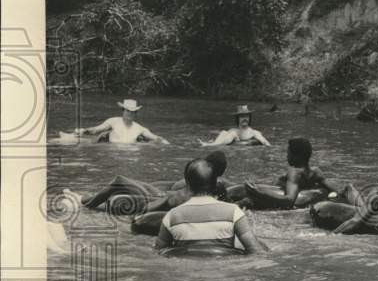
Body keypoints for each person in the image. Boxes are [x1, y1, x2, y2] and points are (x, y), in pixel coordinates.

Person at [63, 150, 231, 213]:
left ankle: (84, 206)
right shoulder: (210, 184)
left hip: (155, 201)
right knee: (119, 191)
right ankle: (80, 199)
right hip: (160, 196)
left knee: (119, 181)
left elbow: (169, 198)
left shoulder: (207, 184)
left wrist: (148, 205)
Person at [156, 158, 265, 253]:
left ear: (187, 183)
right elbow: (256, 251)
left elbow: (159, 252)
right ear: (215, 183)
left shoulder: (172, 216)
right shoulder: (234, 212)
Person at [243, 137, 339, 209]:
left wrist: (259, 193)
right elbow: (335, 191)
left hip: (278, 195)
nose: (286, 155)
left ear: (295, 156)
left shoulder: (293, 173)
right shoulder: (316, 171)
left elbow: (289, 200)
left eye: (288, 152)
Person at [70, 98, 169, 144]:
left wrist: (165, 142)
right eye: (127, 111)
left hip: (132, 156)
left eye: (132, 111)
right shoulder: (113, 121)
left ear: (135, 113)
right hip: (114, 154)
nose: (129, 113)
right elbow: (96, 130)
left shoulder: (140, 128)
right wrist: (83, 131)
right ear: (123, 111)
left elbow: (155, 138)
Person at [199, 105, 271, 146]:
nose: (245, 119)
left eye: (246, 116)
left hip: (247, 152)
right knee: (224, 132)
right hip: (229, 143)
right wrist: (211, 142)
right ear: (238, 119)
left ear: (249, 118)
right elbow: (222, 138)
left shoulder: (253, 132)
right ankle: (209, 145)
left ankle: (210, 145)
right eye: (242, 116)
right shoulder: (233, 131)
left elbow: (265, 142)